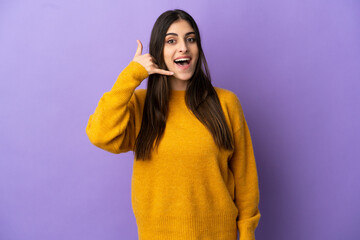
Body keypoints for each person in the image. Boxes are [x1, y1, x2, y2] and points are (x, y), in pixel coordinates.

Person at [85, 9, 261, 240]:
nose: (183, 48)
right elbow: (100, 134)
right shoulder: (140, 105)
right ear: (158, 51)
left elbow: (245, 178)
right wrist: (132, 75)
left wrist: (247, 234)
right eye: (171, 41)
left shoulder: (226, 103)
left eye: (191, 39)